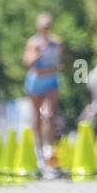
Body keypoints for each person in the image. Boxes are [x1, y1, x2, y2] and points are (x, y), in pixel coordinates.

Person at [22, 13, 63, 170]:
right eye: (44, 27)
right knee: (37, 116)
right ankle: (38, 148)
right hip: (36, 80)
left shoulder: (56, 43)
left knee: (50, 115)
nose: (47, 29)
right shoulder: (33, 42)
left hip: (51, 79)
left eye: (49, 27)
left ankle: (48, 148)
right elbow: (27, 62)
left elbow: (59, 63)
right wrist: (37, 54)